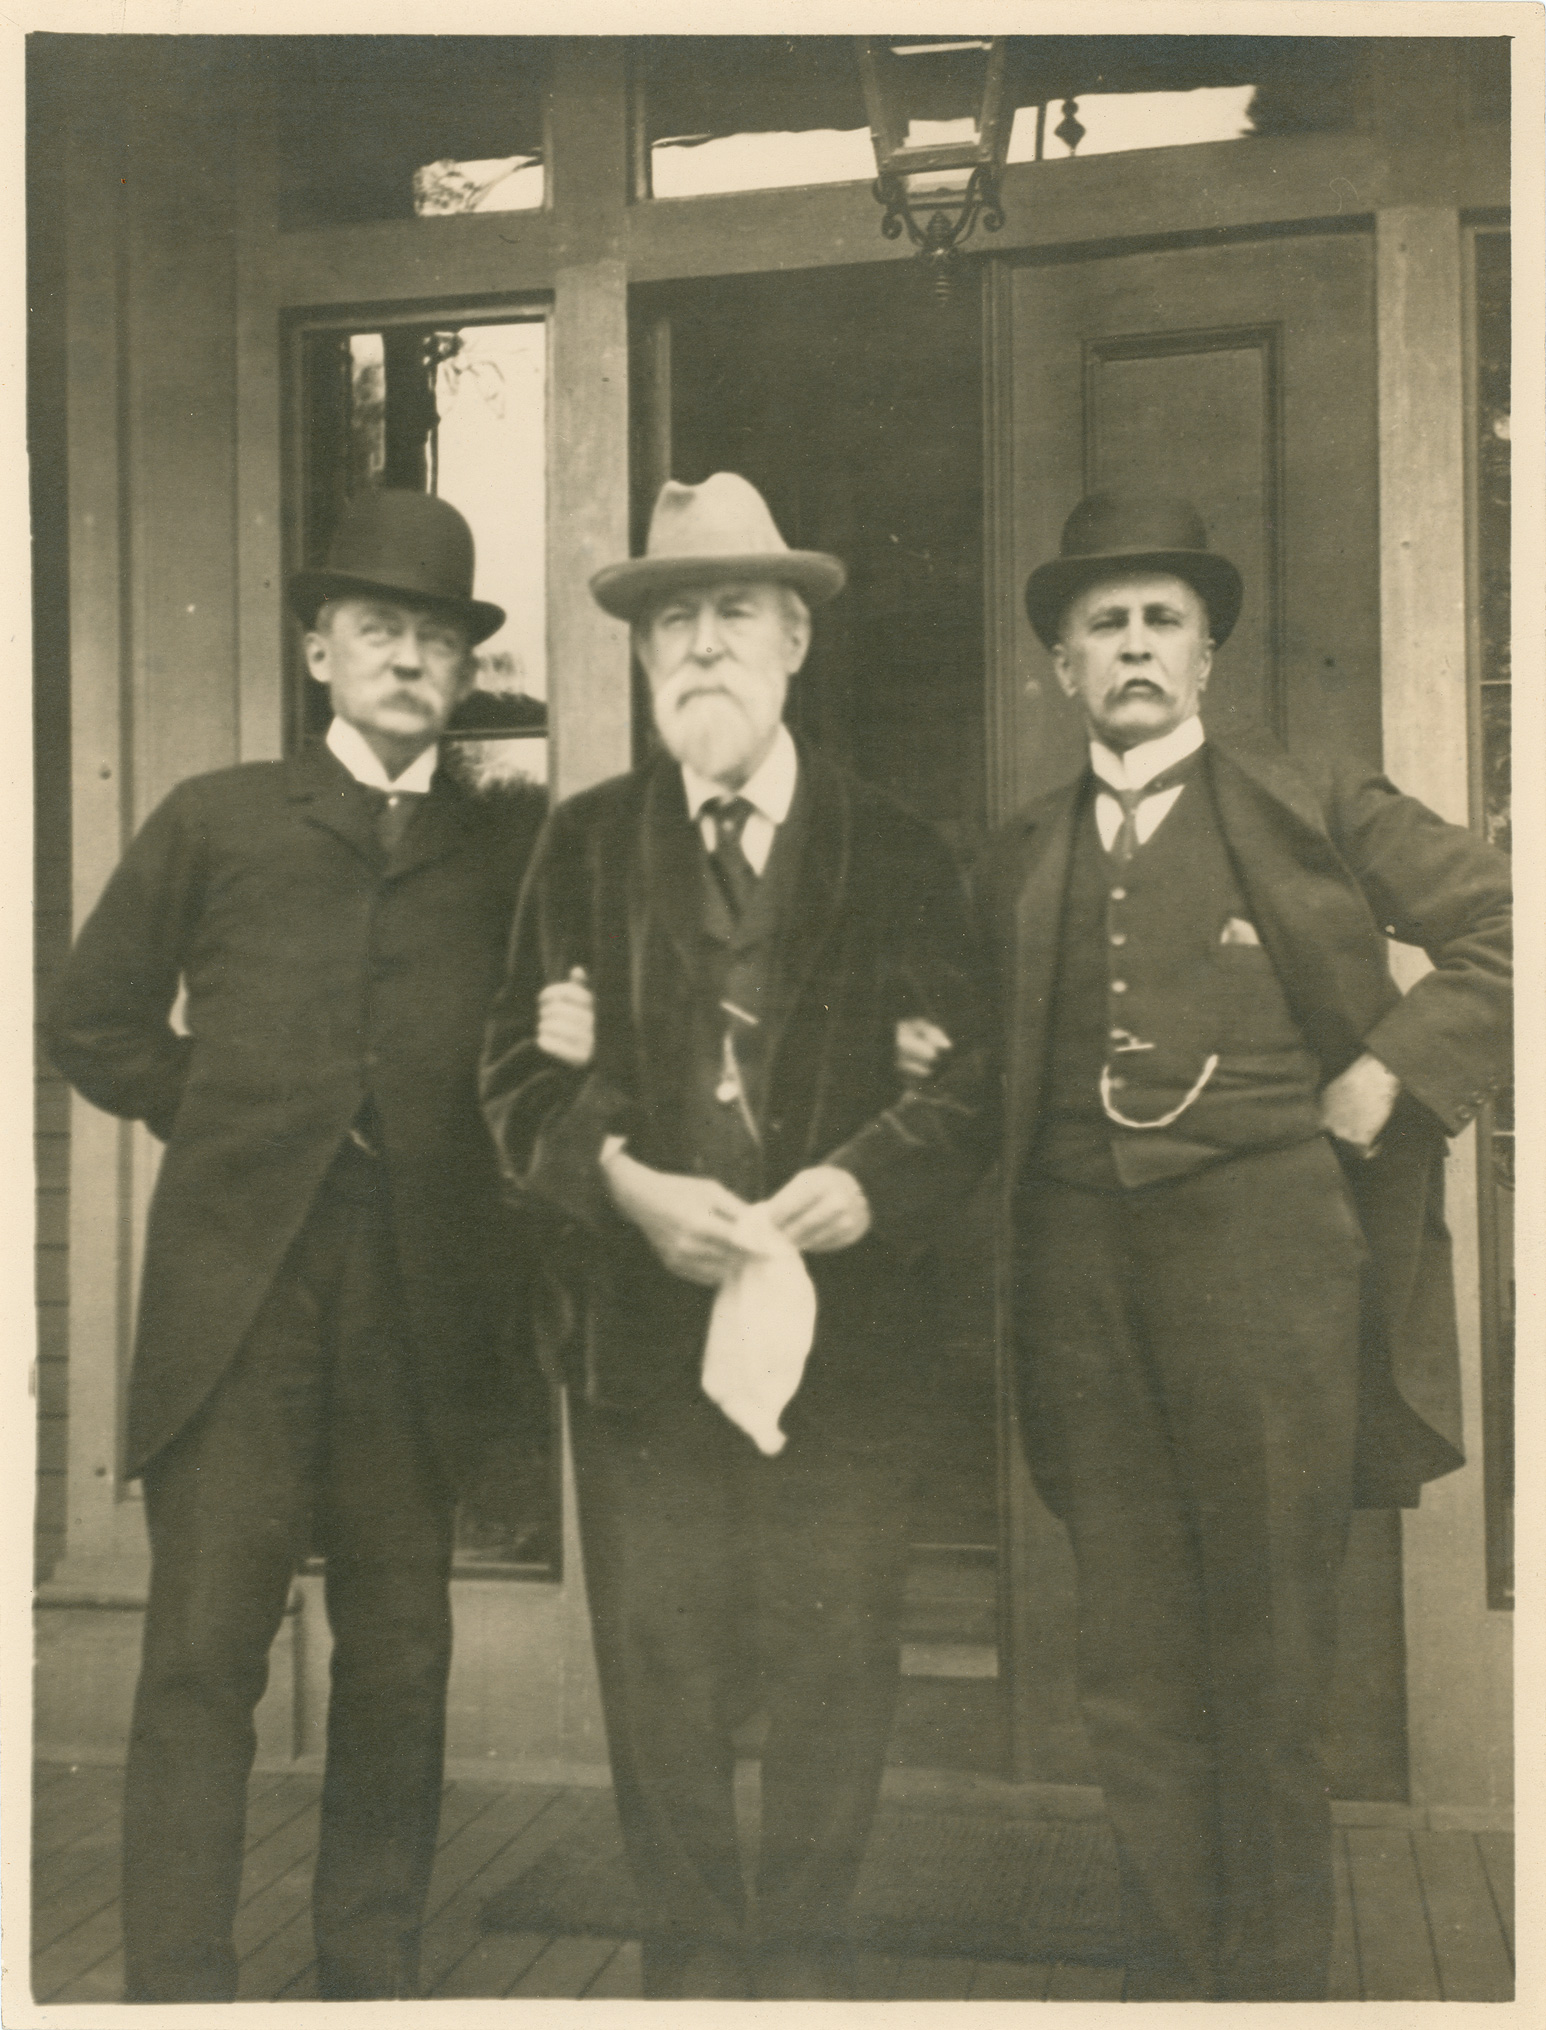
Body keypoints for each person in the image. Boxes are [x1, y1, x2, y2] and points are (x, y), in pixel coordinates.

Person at [964, 489, 1512, 2000]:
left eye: (1163, 621)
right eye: (1104, 625)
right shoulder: (1019, 852)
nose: (1135, 646)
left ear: (1207, 655)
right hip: (1080, 1277)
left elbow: (1505, 925)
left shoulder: (1311, 801)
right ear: (1061, 668)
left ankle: (1269, 1984)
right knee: (1130, 1653)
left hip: (1270, 1269)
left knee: (1268, 1648)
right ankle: (1167, 1966)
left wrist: (1388, 1071)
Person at [478, 472, 988, 1999]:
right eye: (673, 622)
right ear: (644, 656)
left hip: (848, 1354)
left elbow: (973, 1080)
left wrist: (872, 1177)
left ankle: (808, 1975)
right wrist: (621, 1180)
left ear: (794, 641)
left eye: (732, 615)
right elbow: (511, 1081)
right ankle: (692, 1986)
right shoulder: (580, 846)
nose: (701, 646)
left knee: (834, 1674)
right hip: (639, 1352)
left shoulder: (897, 848)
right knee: (663, 1685)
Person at [48, 489, 556, 2001]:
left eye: (436, 640)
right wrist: (224, 1110)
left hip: (418, 1302)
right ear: (318, 651)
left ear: (463, 673)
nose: (407, 658)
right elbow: (92, 1019)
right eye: (377, 629)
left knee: (399, 1658)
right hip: (241, 1301)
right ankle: (176, 1989)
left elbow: (534, 1060)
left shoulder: (504, 850)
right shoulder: (217, 819)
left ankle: (367, 1978)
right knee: (205, 1654)